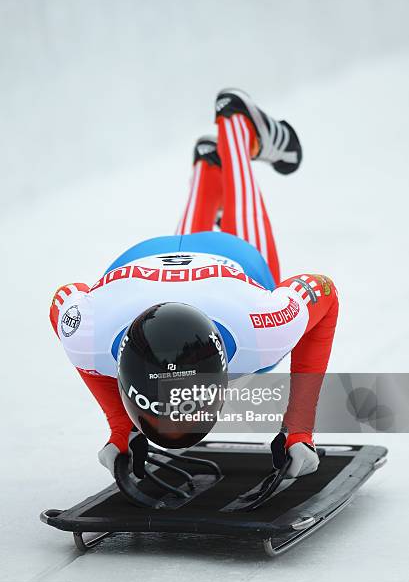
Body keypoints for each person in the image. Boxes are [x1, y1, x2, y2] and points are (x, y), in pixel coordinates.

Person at [49, 89, 339, 480]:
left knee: (260, 313)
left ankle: (235, 125)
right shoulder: (86, 333)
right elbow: (61, 302)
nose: (175, 422)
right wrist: (122, 426)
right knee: (258, 334)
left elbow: (325, 291)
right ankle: (215, 157)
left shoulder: (262, 324)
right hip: (150, 257)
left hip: (217, 259)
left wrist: (122, 427)